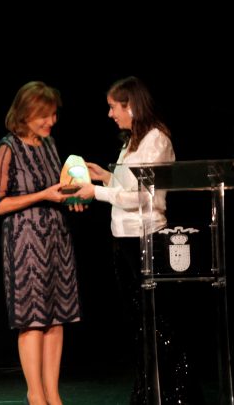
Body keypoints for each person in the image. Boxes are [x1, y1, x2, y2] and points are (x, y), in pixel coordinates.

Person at [73, 76, 201, 404]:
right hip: (124, 240)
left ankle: (175, 393)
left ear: (130, 105)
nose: (110, 114)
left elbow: (143, 198)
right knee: (139, 324)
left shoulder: (156, 140)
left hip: (148, 239)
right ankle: (148, 391)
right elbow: (125, 187)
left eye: (113, 107)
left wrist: (96, 192)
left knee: (158, 322)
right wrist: (105, 176)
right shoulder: (131, 141)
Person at [0, 81, 82, 405]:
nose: (51, 121)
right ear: (26, 113)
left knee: (56, 318)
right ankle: (36, 394)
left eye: (54, 114)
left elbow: (57, 187)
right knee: (32, 319)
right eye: (45, 115)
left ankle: (53, 393)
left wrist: (73, 198)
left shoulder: (49, 144)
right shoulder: (8, 148)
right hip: (25, 244)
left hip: (56, 239)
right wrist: (43, 195)